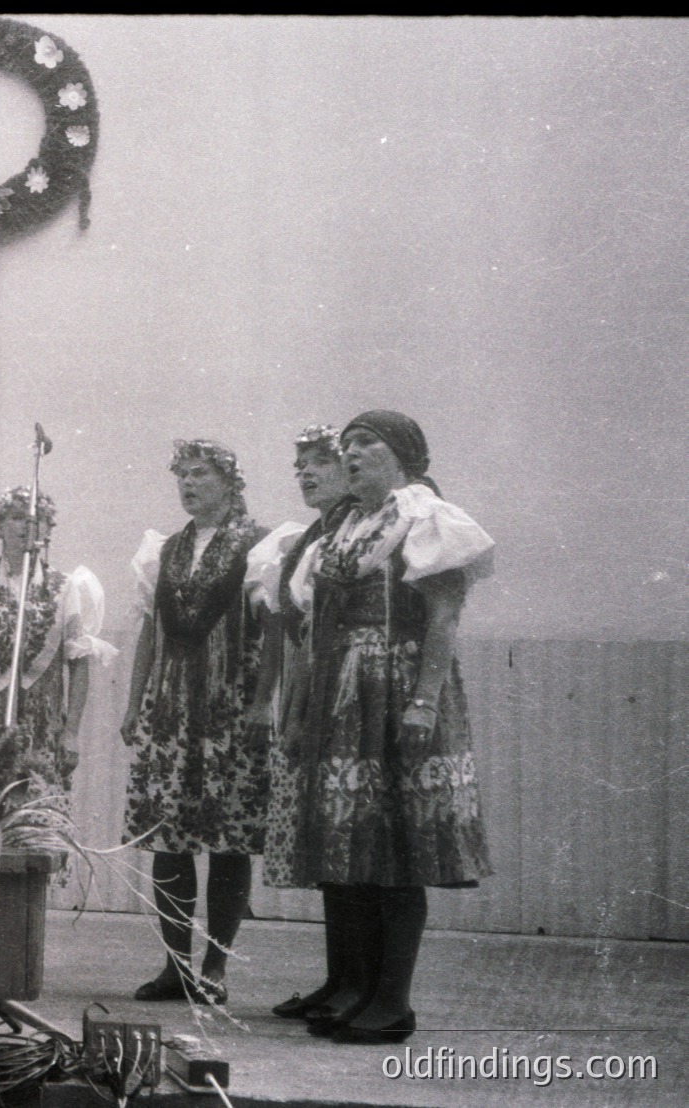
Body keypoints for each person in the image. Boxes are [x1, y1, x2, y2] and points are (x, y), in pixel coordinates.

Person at [290, 410, 494, 1044]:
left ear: (402, 454)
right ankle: (360, 988)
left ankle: (393, 1001)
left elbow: (443, 617)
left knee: (399, 848)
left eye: (365, 443)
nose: (350, 455)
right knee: (357, 843)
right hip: (344, 692)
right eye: (345, 445)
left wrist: (425, 702)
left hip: (400, 688)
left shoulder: (425, 516)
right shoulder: (349, 525)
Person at [121, 439, 269, 1005]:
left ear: (230, 482)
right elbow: (150, 631)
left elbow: (274, 630)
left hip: (229, 706)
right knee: (170, 840)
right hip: (172, 708)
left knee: (229, 840)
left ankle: (215, 968)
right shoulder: (165, 549)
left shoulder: (258, 545)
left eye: (200, 473)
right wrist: (135, 704)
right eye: (181, 474)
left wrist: (262, 705)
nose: (188, 484)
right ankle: (175, 965)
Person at [241, 425, 353, 1020]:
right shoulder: (307, 537)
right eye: (300, 465)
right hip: (304, 694)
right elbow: (287, 630)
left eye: (320, 463)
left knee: (347, 841)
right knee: (326, 846)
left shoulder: (358, 533)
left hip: (340, 696)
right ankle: (339, 980)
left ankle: (362, 984)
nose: (306, 474)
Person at [0, 486, 114, 784]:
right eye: (17, 517)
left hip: (43, 723)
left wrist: (71, 733)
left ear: (47, 530)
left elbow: (79, 666)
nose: (27, 526)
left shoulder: (67, 588)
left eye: (38, 519)